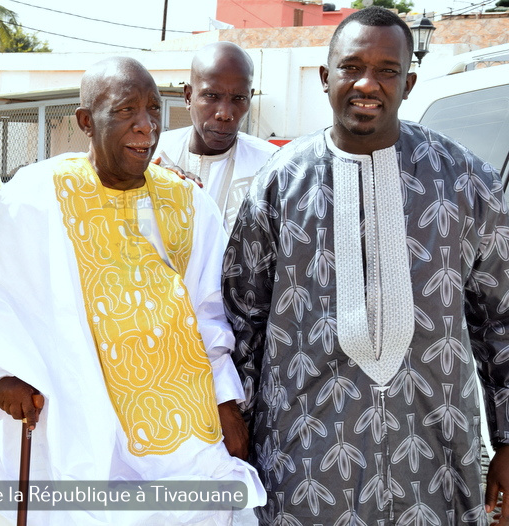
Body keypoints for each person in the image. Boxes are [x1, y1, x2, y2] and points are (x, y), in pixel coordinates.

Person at [222, 6, 509, 525]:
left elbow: (502, 318)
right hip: (303, 459)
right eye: (352, 67)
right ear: (325, 76)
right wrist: (232, 431)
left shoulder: (465, 183)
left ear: (409, 82)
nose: (367, 84)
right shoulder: (280, 185)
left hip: (435, 457)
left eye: (386, 70)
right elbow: (242, 319)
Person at [0, 56, 266, 525]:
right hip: (80, 414)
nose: (146, 127)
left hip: (183, 426)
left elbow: (211, 312)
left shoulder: (188, 201)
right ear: (86, 121)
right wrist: (0, 373)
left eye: (152, 110)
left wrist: (226, 403)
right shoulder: (36, 196)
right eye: (126, 111)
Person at [155, 41, 278, 233]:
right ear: (188, 96)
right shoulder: (155, 156)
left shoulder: (272, 166)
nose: (225, 114)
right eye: (211, 96)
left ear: (250, 98)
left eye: (239, 98)